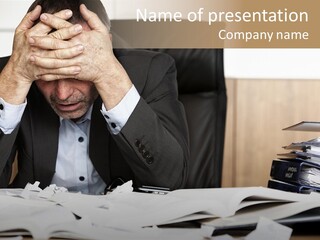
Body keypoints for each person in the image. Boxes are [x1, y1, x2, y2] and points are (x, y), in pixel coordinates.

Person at [0, 0, 189, 194]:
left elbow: (172, 180)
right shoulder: (13, 74)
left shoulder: (150, 72)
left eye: (77, 72)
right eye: (47, 74)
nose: (63, 94)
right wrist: (15, 78)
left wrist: (109, 75)